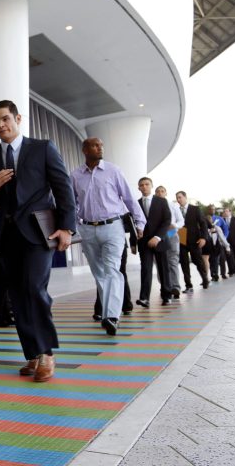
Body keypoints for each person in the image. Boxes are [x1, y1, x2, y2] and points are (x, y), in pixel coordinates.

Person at [0, 100, 76, 382]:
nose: (0, 126)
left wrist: (67, 228)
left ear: (17, 118)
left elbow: (63, 188)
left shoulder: (43, 148)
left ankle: (46, 353)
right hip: (6, 237)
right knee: (18, 296)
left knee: (34, 288)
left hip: (37, 233)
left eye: (5, 119)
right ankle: (32, 353)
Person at [71, 138, 144, 335]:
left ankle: (111, 316)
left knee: (112, 270)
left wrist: (140, 222)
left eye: (101, 145)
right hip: (87, 229)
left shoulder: (113, 170)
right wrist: (74, 224)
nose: (100, 147)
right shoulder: (76, 175)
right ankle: (108, 314)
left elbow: (128, 198)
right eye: (95, 145)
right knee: (99, 274)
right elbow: (73, 202)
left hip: (113, 227)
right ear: (85, 150)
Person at [135, 177, 172, 308]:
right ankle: (144, 298)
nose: (144, 187)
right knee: (145, 269)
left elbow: (167, 221)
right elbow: (133, 223)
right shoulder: (136, 204)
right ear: (138, 188)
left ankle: (167, 295)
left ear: (151, 186)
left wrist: (157, 237)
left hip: (159, 241)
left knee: (163, 269)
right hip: (143, 242)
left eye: (147, 184)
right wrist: (133, 242)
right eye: (141, 185)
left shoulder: (161, 201)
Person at [175, 191, 210, 291]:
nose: (178, 199)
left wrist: (203, 238)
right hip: (181, 239)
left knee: (198, 261)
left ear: (185, 197)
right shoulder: (175, 210)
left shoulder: (195, 209)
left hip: (195, 240)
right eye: (177, 198)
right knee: (184, 263)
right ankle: (188, 285)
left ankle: (205, 279)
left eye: (180, 197)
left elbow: (203, 224)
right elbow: (173, 226)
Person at [154, 185, 184, 299]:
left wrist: (175, 225)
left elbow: (181, 220)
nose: (160, 193)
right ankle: (165, 286)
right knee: (160, 262)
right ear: (155, 194)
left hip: (171, 233)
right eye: (158, 191)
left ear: (166, 193)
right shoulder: (153, 206)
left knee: (173, 261)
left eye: (162, 191)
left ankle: (175, 287)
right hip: (158, 236)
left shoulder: (173, 205)